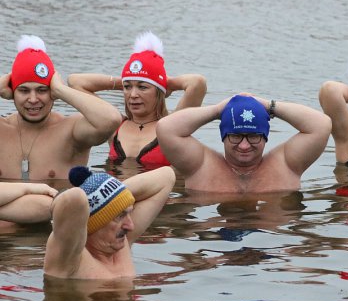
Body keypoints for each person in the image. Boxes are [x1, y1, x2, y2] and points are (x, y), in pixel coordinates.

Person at [68, 30, 207, 170]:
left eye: (143, 87)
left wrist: (163, 83)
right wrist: (124, 81)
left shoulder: (173, 125)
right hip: (117, 192)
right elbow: (75, 82)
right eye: (127, 87)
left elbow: (197, 83)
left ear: (159, 92)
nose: (133, 95)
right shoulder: (114, 124)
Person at [0, 35, 122, 181]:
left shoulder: (70, 131)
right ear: (12, 92)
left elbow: (111, 119)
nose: (33, 99)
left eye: (42, 90)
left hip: (57, 203)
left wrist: (61, 90)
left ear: (52, 92)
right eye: (24, 91)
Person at [156, 93, 331, 193]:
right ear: (223, 136)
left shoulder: (286, 164)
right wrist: (218, 110)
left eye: (254, 136)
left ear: (265, 137)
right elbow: (166, 128)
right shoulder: (200, 165)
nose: (244, 145)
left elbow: (322, 125)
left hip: (269, 246)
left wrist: (268, 105)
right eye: (235, 136)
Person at [44, 165, 175, 279]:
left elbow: (166, 177)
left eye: (128, 213)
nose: (130, 226)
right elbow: (73, 199)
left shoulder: (122, 243)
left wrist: (114, 194)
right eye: (120, 216)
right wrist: (104, 199)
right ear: (93, 223)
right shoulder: (69, 258)